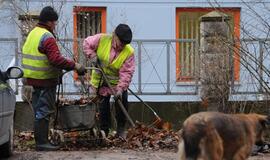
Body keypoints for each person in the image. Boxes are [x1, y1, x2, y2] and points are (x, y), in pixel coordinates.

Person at [22, 6, 86, 151]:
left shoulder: (33, 33)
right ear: (50, 22)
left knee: (39, 111)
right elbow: (55, 59)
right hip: (44, 81)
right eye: (55, 22)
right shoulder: (47, 37)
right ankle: (42, 143)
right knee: (44, 111)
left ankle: (41, 141)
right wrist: (75, 65)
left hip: (32, 80)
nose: (55, 25)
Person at [83, 24, 135, 138]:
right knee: (103, 106)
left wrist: (120, 89)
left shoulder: (129, 52)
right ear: (114, 35)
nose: (122, 46)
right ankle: (104, 131)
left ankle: (121, 130)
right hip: (100, 80)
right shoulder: (102, 39)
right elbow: (86, 43)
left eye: (125, 44)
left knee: (122, 102)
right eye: (121, 42)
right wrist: (92, 56)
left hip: (117, 83)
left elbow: (126, 73)